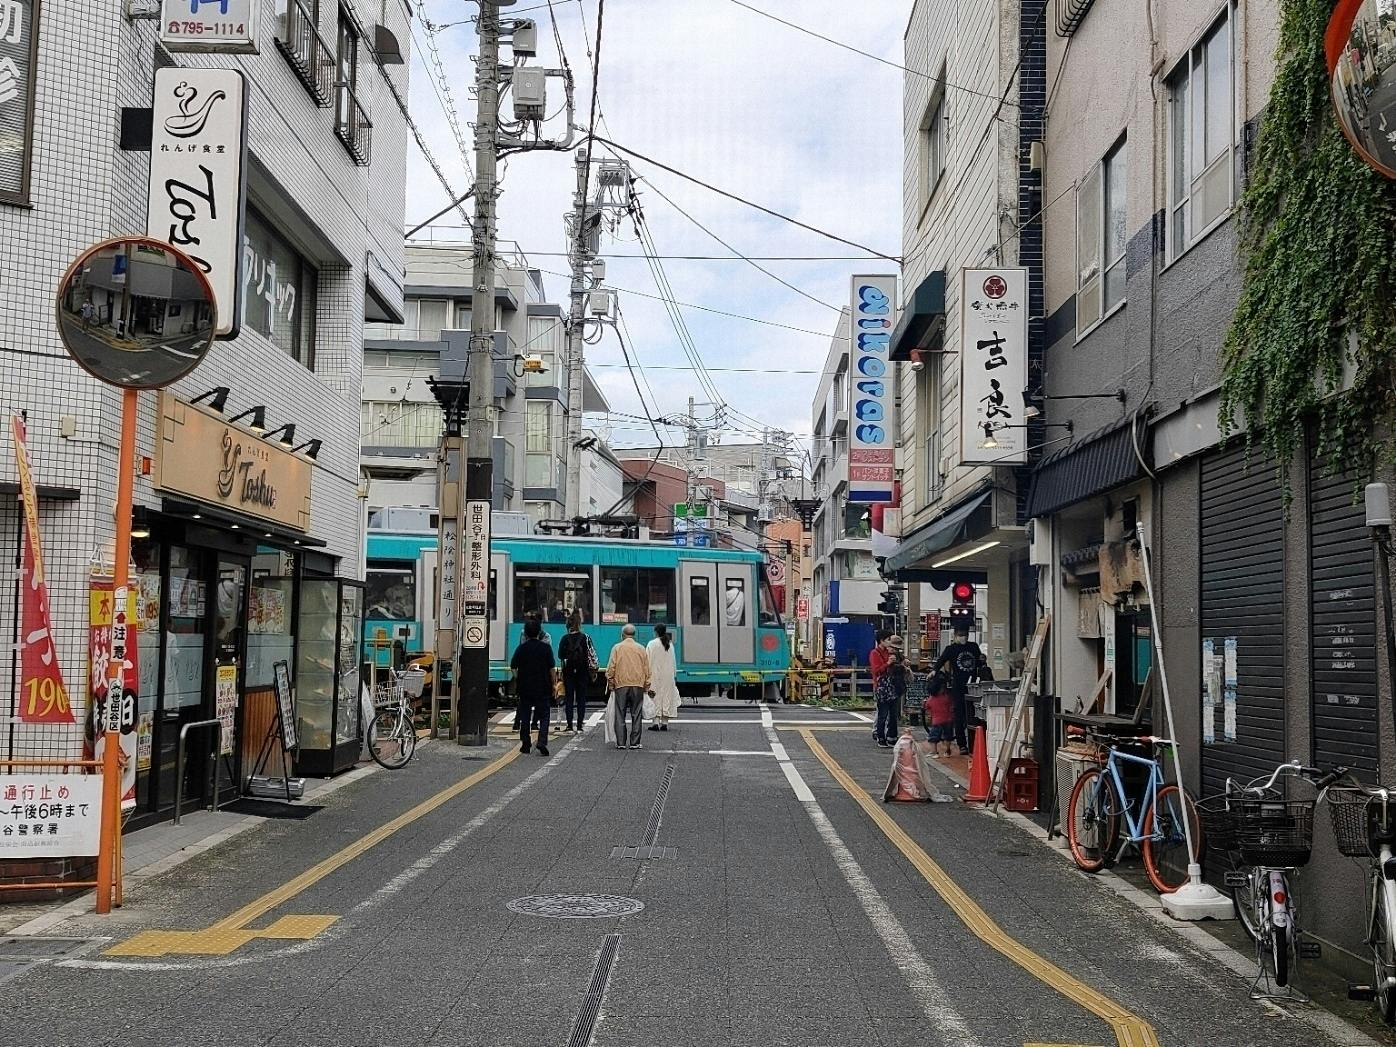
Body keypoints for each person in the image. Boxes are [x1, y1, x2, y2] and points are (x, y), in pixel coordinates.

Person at [935, 624, 988, 755]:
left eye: (965, 635)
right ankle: (962, 744)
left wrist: (983, 660)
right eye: (960, 635)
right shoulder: (951, 649)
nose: (963, 637)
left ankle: (975, 742)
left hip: (973, 685)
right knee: (959, 715)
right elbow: (940, 661)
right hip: (958, 685)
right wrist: (934, 671)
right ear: (955, 636)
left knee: (974, 714)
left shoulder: (973, 647)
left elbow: (980, 662)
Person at [509, 618, 557, 757]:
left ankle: (525, 743)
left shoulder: (522, 648)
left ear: (527, 633)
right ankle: (542, 741)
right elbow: (552, 669)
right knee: (545, 715)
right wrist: (554, 684)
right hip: (543, 686)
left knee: (525, 714)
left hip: (525, 686)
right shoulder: (546, 648)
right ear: (539, 632)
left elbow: (513, 666)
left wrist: (519, 678)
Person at [606, 623, 650, 750]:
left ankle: (621, 742)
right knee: (636, 713)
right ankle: (635, 742)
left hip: (621, 684)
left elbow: (611, 668)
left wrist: (611, 683)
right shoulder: (641, 648)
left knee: (620, 713)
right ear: (634, 634)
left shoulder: (617, 648)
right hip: (638, 684)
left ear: (622, 634)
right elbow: (647, 669)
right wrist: (647, 685)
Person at [557, 611, 596, 732]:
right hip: (582, 671)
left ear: (568, 625)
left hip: (568, 671)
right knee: (581, 698)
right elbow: (591, 655)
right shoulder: (585, 637)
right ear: (579, 624)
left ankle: (569, 725)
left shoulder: (564, 638)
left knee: (569, 698)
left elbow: (560, 655)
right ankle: (579, 725)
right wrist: (593, 671)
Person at [873, 636, 909, 747]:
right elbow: (877, 670)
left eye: (897, 648)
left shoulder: (898, 655)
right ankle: (880, 736)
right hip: (883, 688)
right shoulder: (879, 654)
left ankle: (891, 737)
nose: (894, 650)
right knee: (882, 714)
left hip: (894, 687)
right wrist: (889, 663)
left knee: (893, 715)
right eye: (892, 647)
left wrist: (904, 664)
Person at [646, 624, 680, 731]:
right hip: (668, 675)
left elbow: (646, 661)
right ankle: (665, 723)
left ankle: (655, 722)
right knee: (667, 696)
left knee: (654, 697)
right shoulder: (669, 644)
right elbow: (673, 662)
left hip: (654, 674)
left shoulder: (652, 644)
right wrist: (674, 675)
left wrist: (646, 675)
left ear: (656, 632)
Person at [923, 670, 955, 757]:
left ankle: (934, 752)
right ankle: (947, 751)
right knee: (948, 736)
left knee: (933, 737)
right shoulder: (947, 697)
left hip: (936, 721)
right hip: (948, 719)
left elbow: (926, 707)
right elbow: (951, 705)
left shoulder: (931, 699)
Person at [868, 629, 893, 742]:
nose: (890, 642)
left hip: (890, 686)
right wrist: (888, 663)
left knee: (887, 712)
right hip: (880, 686)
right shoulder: (875, 653)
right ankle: (878, 733)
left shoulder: (889, 652)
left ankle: (884, 733)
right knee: (881, 711)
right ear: (881, 641)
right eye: (888, 640)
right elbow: (876, 670)